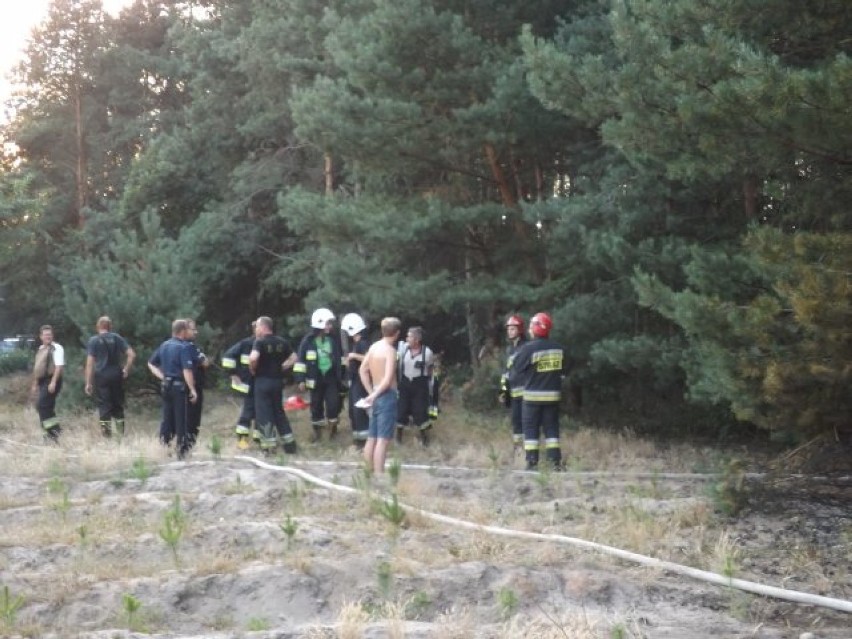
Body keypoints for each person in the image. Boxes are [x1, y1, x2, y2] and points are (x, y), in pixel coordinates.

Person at [507, 312, 568, 471]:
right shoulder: (559, 348)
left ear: (536, 328)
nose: (528, 330)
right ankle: (555, 462)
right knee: (552, 430)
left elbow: (518, 368)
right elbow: (566, 369)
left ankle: (532, 463)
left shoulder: (528, 349)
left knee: (530, 430)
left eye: (530, 327)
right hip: (553, 397)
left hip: (532, 398)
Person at [148, 319, 198, 460]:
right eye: (189, 329)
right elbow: (187, 370)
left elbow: (151, 363)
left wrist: (162, 377)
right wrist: (192, 389)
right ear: (182, 331)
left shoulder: (164, 345)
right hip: (178, 387)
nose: (191, 332)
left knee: (167, 418)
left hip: (166, 386)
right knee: (181, 419)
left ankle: (164, 447)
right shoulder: (183, 347)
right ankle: (182, 451)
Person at [293, 308, 345, 442]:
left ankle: (333, 430)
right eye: (328, 323)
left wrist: (343, 377)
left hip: (331, 379)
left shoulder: (333, 340)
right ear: (320, 323)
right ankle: (318, 434)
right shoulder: (308, 341)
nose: (330, 326)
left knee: (333, 406)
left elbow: (340, 360)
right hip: (314, 379)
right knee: (316, 407)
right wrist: (300, 380)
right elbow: (300, 361)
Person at [249, 316, 298, 455]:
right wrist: (283, 366)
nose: (256, 329)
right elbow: (294, 357)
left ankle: (269, 447)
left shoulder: (259, 342)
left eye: (257, 326)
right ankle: (290, 445)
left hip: (262, 381)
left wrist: (253, 368)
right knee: (279, 412)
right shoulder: (282, 342)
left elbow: (253, 358)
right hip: (277, 382)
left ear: (264, 327)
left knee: (264, 413)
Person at [359, 317, 401, 474]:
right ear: (396, 333)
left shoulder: (373, 347)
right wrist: (374, 394)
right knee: (382, 439)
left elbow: (362, 370)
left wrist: (370, 391)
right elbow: (388, 378)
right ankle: (378, 475)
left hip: (375, 392)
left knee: (372, 437)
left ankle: (367, 471)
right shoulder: (390, 351)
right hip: (386, 395)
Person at [84, 316, 135, 438]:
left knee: (104, 406)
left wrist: (88, 382)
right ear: (110, 327)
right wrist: (126, 369)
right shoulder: (117, 338)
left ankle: (107, 436)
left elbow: (90, 363)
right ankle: (120, 436)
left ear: (98, 327)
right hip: (116, 374)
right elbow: (132, 355)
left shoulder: (94, 340)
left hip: (102, 376)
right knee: (118, 405)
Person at [396, 326, 436, 446]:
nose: (407, 338)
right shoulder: (403, 350)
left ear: (417, 340)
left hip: (419, 385)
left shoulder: (427, 352)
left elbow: (430, 369)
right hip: (405, 383)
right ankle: (398, 436)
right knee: (401, 410)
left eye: (409, 336)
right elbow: (396, 364)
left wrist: (429, 384)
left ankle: (424, 438)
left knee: (420, 411)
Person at [221, 322, 257, 449]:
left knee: (261, 413)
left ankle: (258, 440)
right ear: (254, 329)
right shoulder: (245, 344)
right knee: (248, 412)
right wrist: (233, 374)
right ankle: (242, 441)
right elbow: (227, 357)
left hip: (261, 384)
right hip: (248, 384)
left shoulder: (266, 344)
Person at [30, 325, 64, 443]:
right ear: (41, 337)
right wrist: (35, 384)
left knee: (42, 405)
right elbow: (37, 368)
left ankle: (54, 431)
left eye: (49, 335)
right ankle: (49, 435)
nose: (48, 337)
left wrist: (53, 382)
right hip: (42, 381)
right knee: (46, 408)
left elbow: (59, 367)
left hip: (52, 380)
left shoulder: (57, 348)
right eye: (45, 335)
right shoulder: (40, 349)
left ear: (52, 336)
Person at [341, 313, 370, 449]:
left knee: (359, 411)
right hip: (354, 381)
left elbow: (369, 359)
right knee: (353, 412)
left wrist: (353, 356)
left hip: (361, 382)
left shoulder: (363, 343)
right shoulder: (356, 343)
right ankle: (358, 440)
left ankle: (364, 443)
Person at [500, 315, 527, 452]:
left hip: (527, 393)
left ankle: (529, 451)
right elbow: (506, 374)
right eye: (508, 329)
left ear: (520, 330)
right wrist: (503, 391)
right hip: (514, 394)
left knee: (527, 423)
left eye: (512, 329)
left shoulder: (526, 347)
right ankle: (518, 451)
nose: (509, 331)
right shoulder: (510, 350)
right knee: (516, 423)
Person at [184, 319, 209, 450]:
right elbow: (204, 363)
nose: (196, 332)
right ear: (185, 330)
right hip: (191, 388)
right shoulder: (188, 347)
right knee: (191, 419)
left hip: (195, 386)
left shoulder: (194, 347)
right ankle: (187, 446)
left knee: (192, 419)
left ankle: (187, 445)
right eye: (193, 329)